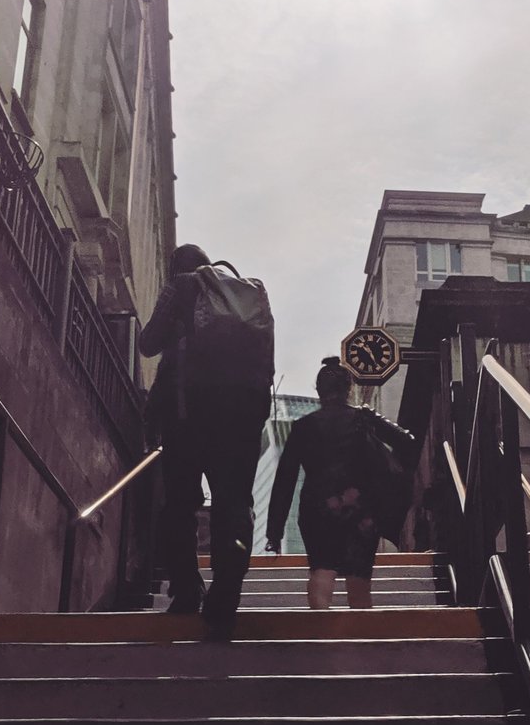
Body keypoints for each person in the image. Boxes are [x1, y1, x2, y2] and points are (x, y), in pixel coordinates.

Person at [140, 244, 273, 639]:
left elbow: (148, 342)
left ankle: (186, 590)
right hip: (244, 417)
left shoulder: (181, 286)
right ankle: (227, 592)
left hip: (188, 413)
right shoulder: (250, 295)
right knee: (235, 502)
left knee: (180, 503)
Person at [265, 357, 415, 610]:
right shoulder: (363, 419)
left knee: (322, 568)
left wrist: (274, 532)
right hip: (360, 508)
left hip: (317, 508)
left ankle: (322, 634)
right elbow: (407, 441)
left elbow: (285, 479)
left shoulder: (303, 427)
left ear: (318, 390)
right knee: (359, 576)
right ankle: (358, 639)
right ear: (349, 389)